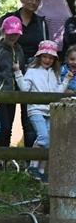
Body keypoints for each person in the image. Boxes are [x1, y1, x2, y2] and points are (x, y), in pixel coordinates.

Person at [0, 0, 49, 148]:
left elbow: (46, 49)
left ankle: (29, 165)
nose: (33, 2)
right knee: (5, 125)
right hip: (7, 77)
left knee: (30, 123)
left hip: (32, 77)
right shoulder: (9, 19)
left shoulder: (41, 23)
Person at [16, 41, 72, 182]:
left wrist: (66, 80)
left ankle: (39, 171)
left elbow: (57, 92)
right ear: (40, 56)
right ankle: (33, 167)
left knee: (48, 140)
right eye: (45, 56)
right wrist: (17, 72)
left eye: (51, 58)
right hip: (35, 109)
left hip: (50, 110)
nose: (48, 60)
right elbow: (24, 88)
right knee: (44, 138)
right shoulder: (32, 71)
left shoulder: (54, 73)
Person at [0, 16, 27, 148]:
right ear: (3, 32)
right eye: (10, 33)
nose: (13, 37)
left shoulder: (19, 49)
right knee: (3, 126)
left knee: (8, 128)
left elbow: (22, 70)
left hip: (13, 94)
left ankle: (3, 159)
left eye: (16, 34)